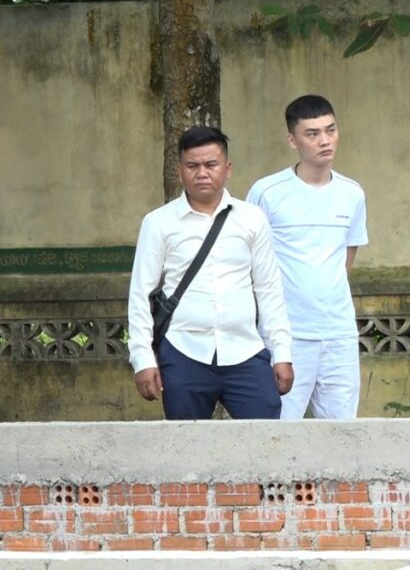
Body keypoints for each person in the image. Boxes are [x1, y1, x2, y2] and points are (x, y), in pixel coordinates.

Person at [128, 125, 294, 419]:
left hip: (245, 351)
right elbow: (140, 294)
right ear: (180, 170)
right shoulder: (159, 223)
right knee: (186, 441)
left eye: (210, 164)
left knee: (266, 436)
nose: (202, 173)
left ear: (227, 169)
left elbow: (269, 289)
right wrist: (143, 358)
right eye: (192, 166)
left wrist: (282, 353)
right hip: (183, 352)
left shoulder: (252, 219)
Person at [247, 95, 367, 420]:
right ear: (292, 140)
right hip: (286, 336)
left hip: (339, 334)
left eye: (330, 130)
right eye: (312, 134)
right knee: (279, 430)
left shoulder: (352, 194)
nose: (324, 140)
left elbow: (346, 260)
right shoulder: (267, 192)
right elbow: (251, 263)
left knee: (341, 432)